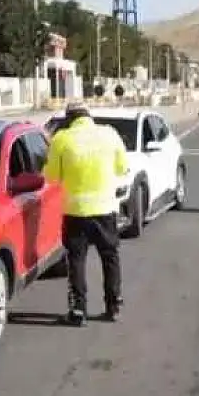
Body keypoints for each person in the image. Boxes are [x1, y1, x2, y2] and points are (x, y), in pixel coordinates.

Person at [43, 104, 130, 325]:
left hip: (75, 212)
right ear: (89, 117)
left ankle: (78, 311)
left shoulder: (62, 139)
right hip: (105, 210)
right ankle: (114, 306)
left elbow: (52, 176)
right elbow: (122, 168)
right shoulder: (109, 134)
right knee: (110, 256)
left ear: (69, 119)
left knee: (76, 260)